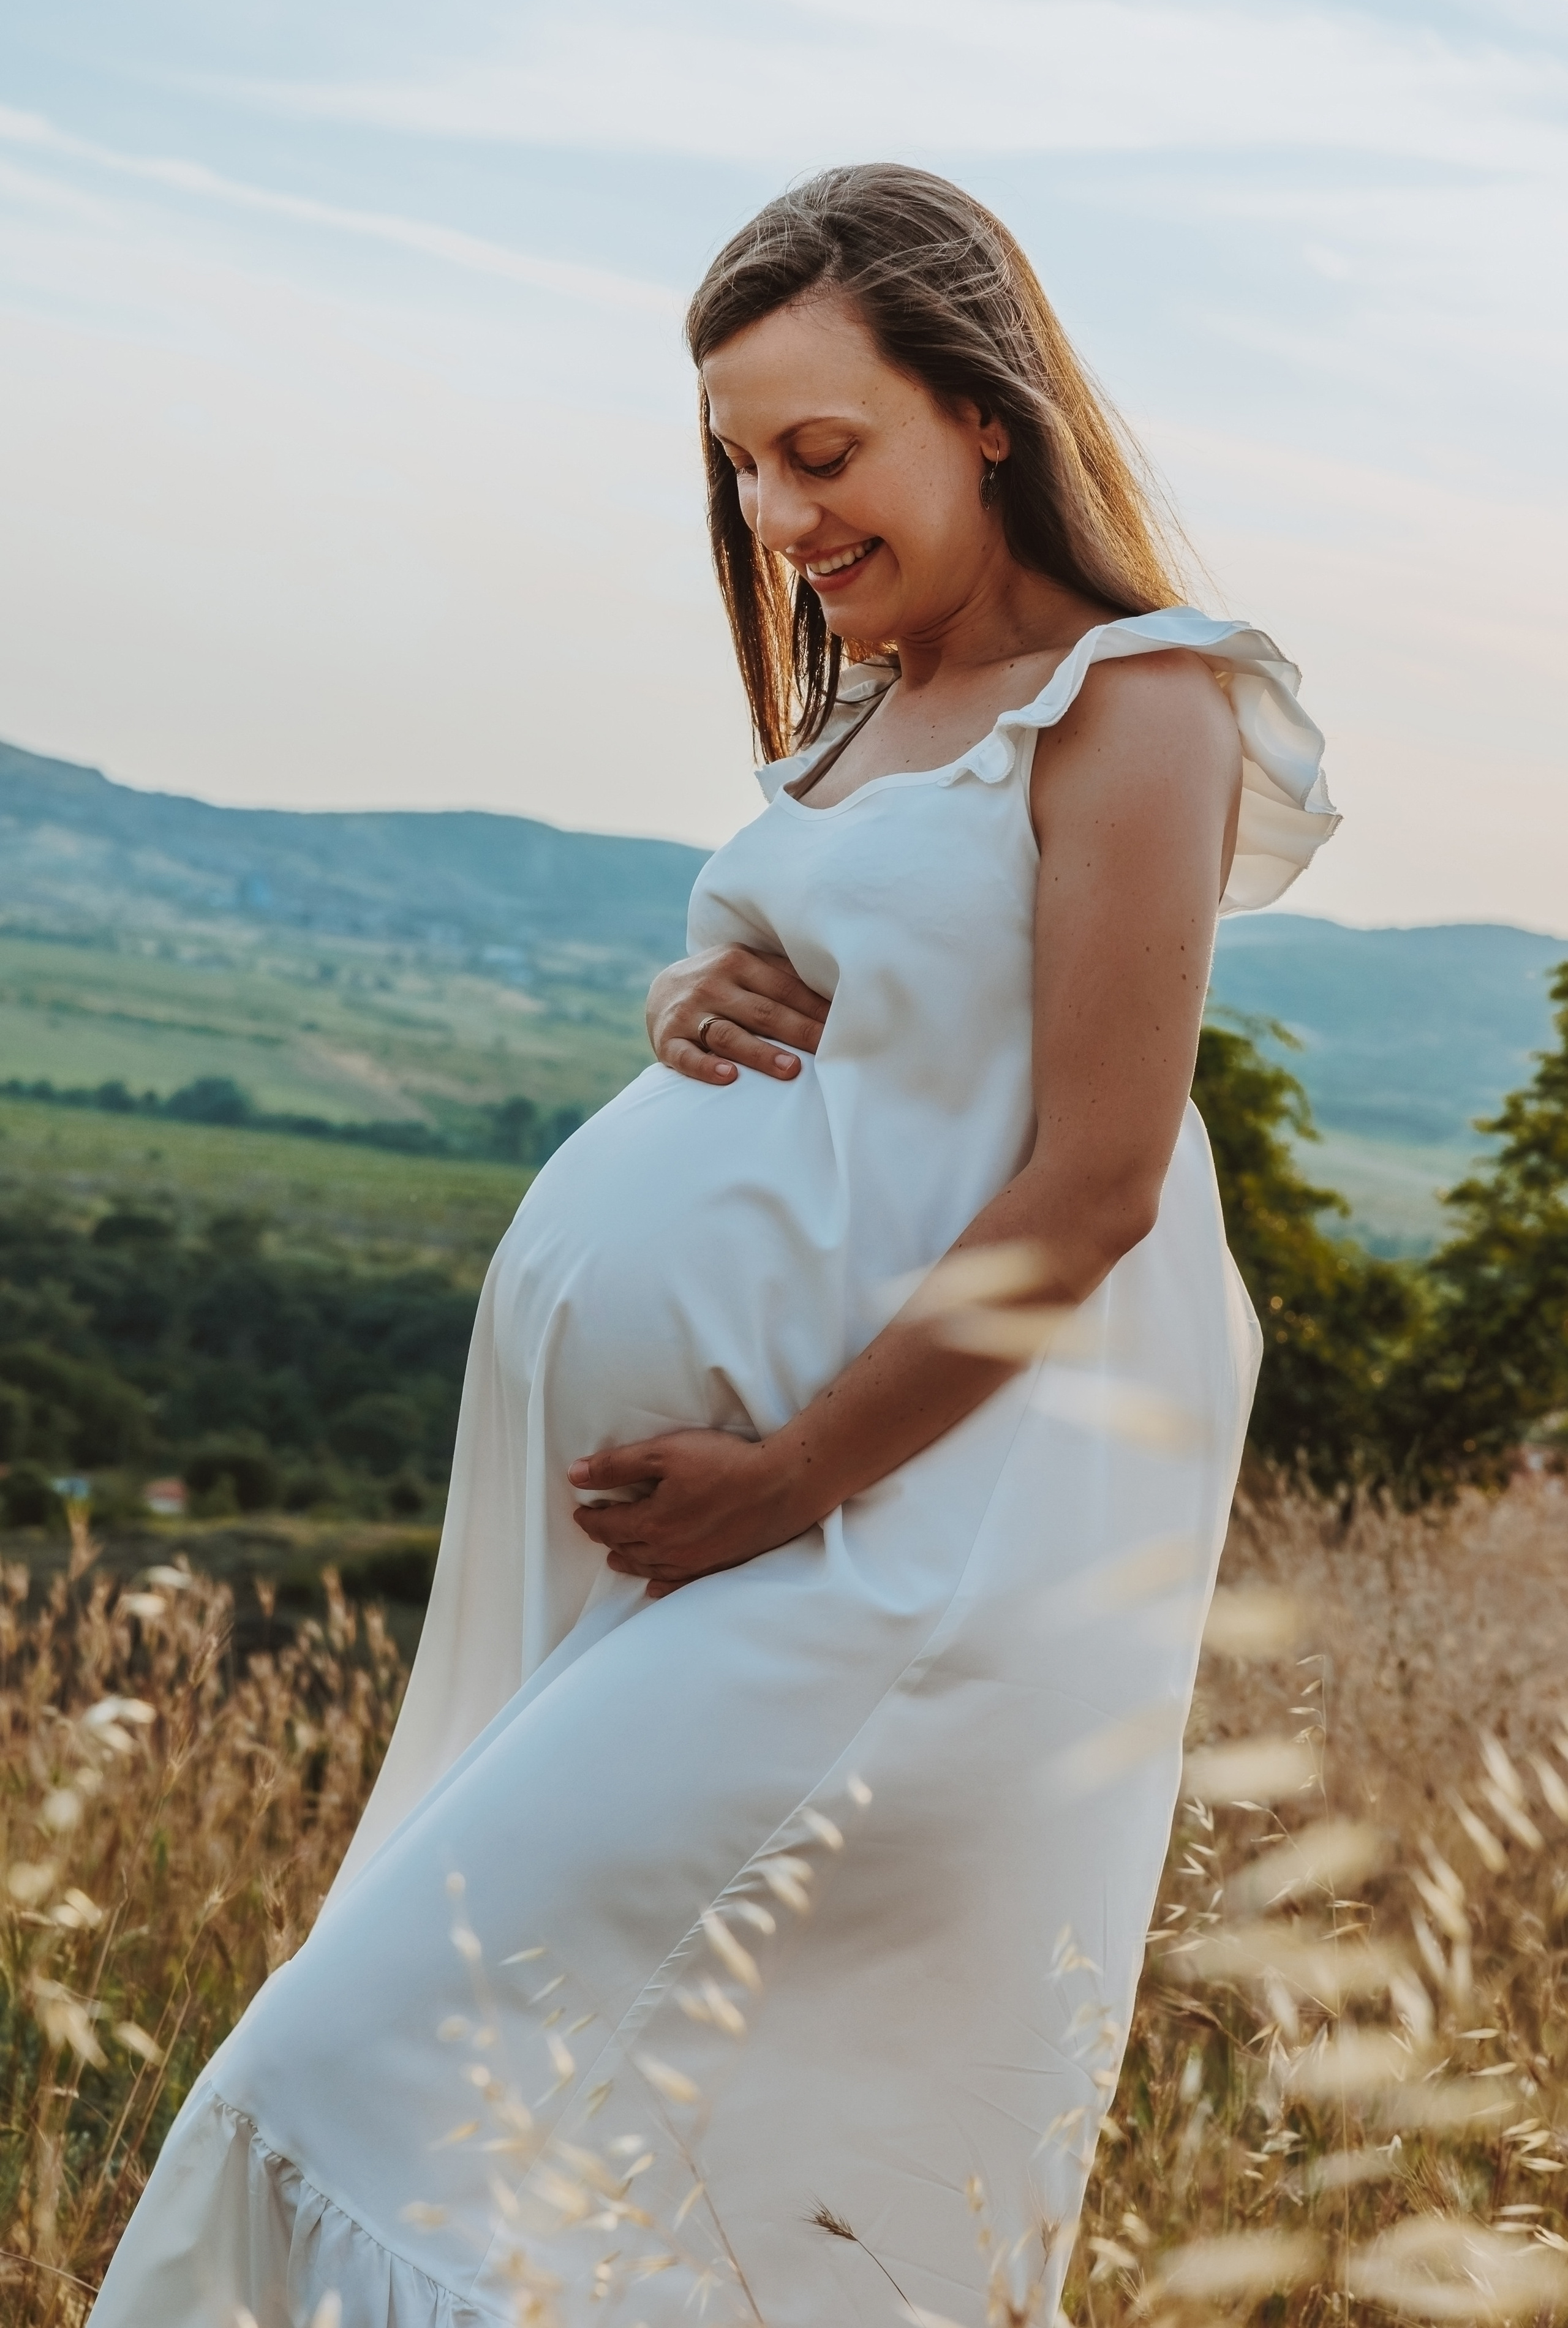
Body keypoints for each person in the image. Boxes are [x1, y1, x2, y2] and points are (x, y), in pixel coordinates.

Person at [91, 163, 1337, 2327]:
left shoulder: (1136, 700)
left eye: (819, 453)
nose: (774, 514)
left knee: (364, 2059)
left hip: (895, 1558)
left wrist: (788, 1475)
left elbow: (1098, 1178)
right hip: (756, 1562)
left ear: (986, 415)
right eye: (742, 466)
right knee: (648, 2155)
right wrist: (686, 1002)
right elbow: (873, 1027)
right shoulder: (862, 719)